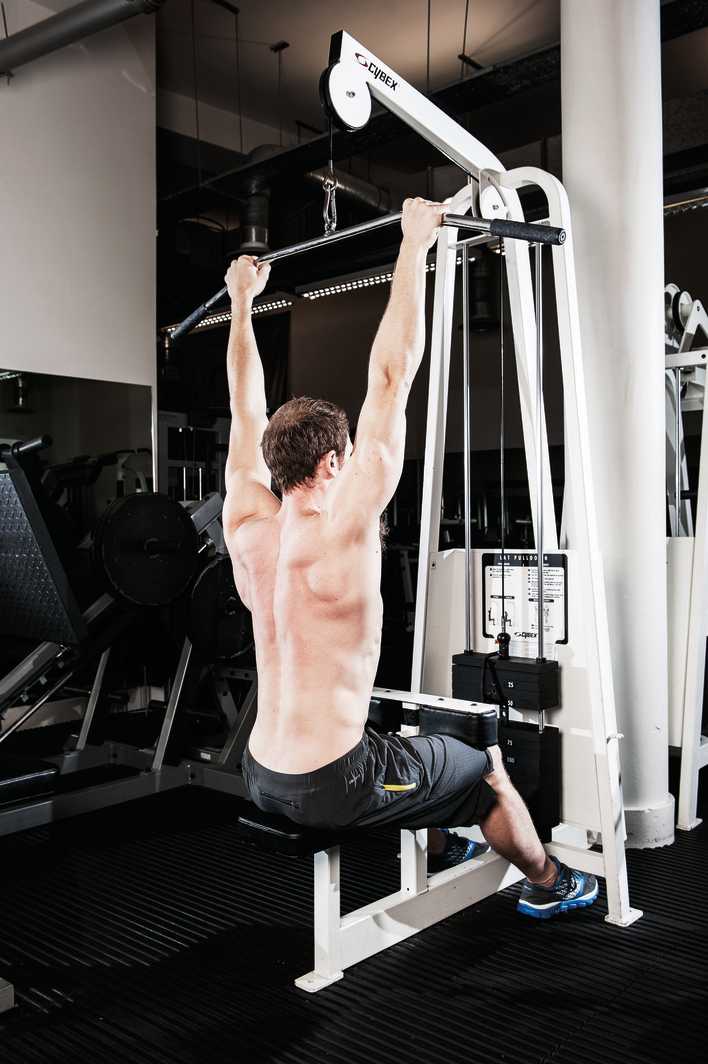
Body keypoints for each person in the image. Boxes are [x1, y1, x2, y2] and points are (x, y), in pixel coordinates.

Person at [221, 198, 597, 919]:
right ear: (333, 463)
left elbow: (244, 405)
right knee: (483, 772)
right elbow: (391, 380)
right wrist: (414, 245)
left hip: (261, 770)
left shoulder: (247, 522)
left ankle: (449, 831)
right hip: (330, 781)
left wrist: (242, 304)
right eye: (351, 455)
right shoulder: (344, 527)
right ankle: (553, 882)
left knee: (424, 747)